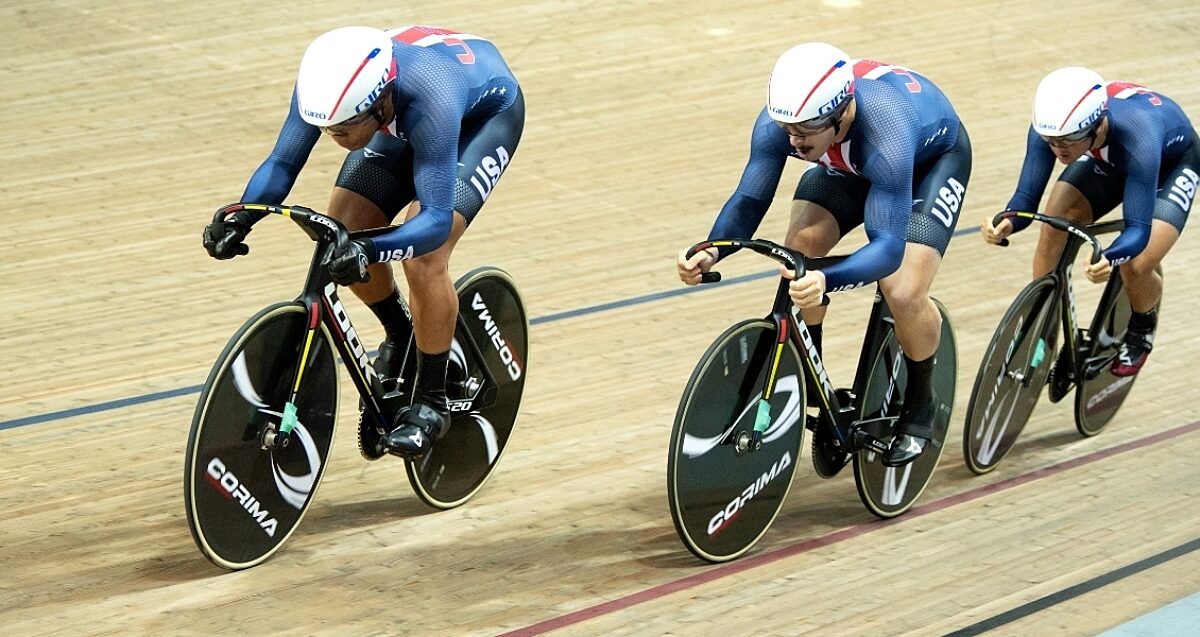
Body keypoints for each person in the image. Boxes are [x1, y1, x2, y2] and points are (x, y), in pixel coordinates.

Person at [202, 25, 525, 456]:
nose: (333, 138)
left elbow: (431, 221)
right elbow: (281, 163)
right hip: (403, 119)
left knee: (424, 259)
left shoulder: (431, 96)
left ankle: (432, 404)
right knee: (342, 229)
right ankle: (399, 331)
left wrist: (371, 249)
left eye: (342, 129)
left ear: (379, 104)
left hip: (480, 119)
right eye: (326, 129)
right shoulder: (327, 87)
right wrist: (241, 216)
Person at [676, 42, 971, 466]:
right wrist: (711, 251)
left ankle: (922, 406)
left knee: (902, 290)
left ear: (842, 110)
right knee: (799, 251)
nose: (794, 141)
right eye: (787, 128)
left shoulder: (885, 129)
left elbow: (887, 249)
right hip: (850, 163)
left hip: (929, 163)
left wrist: (827, 279)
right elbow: (749, 199)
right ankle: (816, 386)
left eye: (806, 130)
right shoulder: (788, 124)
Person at [982, 67, 1197, 378]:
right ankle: (1044, 327)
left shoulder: (1140, 135)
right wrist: (1008, 222)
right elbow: (1026, 200)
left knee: (1135, 264)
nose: (1058, 149)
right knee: (1054, 225)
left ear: (1097, 126)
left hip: (1169, 164)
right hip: (1107, 157)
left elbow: (1137, 229)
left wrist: (1111, 257)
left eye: (1067, 141)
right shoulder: (1056, 128)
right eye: (1051, 141)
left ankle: (1141, 328)